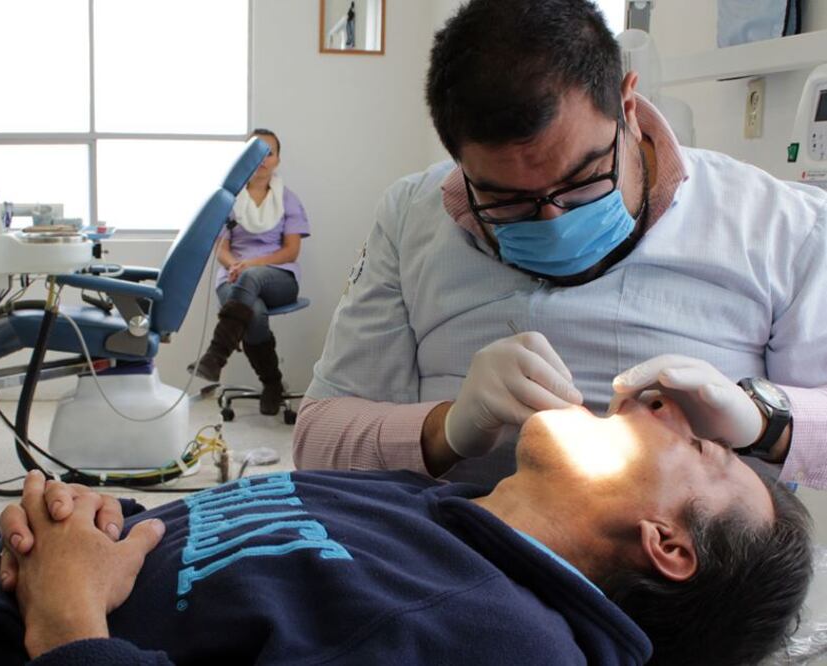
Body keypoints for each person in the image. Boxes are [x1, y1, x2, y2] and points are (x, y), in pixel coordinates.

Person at [0, 397, 814, 665]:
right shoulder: (443, 514)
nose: (672, 408)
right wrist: (85, 522)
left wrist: (70, 610)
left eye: (705, 454)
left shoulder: (504, 643)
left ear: (667, 544)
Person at [295, 0, 827, 489]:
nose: (551, 219)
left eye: (582, 180)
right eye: (506, 200)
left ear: (627, 104)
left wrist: (765, 419)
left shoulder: (781, 225)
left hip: (701, 582)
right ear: (457, 155)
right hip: (463, 561)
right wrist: (448, 427)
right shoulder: (412, 217)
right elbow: (318, 440)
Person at [190, 128, 311, 415]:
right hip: (233, 277)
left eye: (269, 153)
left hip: (278, 278)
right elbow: (220, 246)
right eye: (255, 153)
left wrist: (250, 265)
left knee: (251, 277)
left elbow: (291, 252)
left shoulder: (288, 199)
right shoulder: (228, 200)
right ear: (243, 159)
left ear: (278, 160)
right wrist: (233, 263)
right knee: (253, 311)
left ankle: (216, 355)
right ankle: (272, 384)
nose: (263, 159)